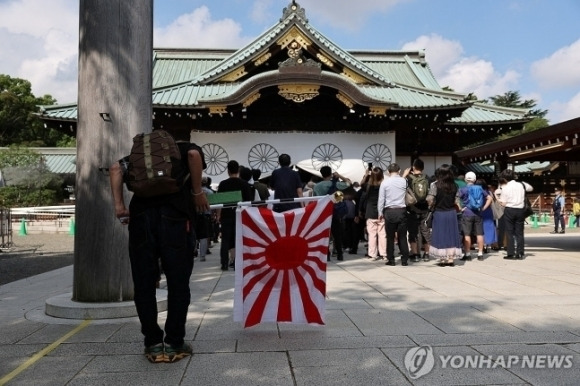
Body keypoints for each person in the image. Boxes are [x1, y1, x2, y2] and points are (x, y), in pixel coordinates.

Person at [109, 129, 208, 363]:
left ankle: (153, 343)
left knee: (144, 282)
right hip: (176, 215)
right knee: (178, 281)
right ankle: (174, 343)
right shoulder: (185, 149)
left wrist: (119, 206)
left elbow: (114, 169)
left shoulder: (136, 158)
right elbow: (194, 155)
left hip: (141, 216)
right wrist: (197, 192)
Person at [216, 160, 253, 271]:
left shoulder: (223, 184)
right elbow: (248, 202)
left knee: (225, 240)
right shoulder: (244, 184)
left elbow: (220, 203)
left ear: (228, 171)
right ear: (238, 171)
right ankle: (238, 262)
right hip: (240, 215)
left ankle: (224, 263)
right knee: (239, 239)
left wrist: (218, 215)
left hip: (226, 215)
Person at [426, 164, 462, 266]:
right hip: (451, 213)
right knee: (451, 235)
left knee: (440, 235)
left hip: (439, 213)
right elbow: (457, 201)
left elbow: (430, 199)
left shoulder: (435, 185)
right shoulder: (455, 185)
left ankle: (442, 259)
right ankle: (450, 259)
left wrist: (431, 205)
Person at [314, 166, 352, 261]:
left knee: (325, 235)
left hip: (323, 212)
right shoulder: (337, 184)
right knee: (337, 234)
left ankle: (326, 255)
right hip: (335, 211)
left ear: (321, 174)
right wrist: (339, 175)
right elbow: (349, 183)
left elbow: (315, 200)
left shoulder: (316, 186)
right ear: (331, 174)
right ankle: (339, 254)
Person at [377, 163, 409, 266]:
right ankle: (404, 259)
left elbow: (381, 199)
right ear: (399, 171)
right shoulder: (404, 181)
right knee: (402, 236)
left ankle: (391, 259)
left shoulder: (385, 183)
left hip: (389, 210)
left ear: (388, 172)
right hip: (401, 210)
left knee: (390, 237)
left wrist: (380, 212)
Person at [497, 169, 533, 260]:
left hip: (509, 209)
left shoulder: (504, 188)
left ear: (504, 178)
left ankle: (511, 253)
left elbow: (503, 203)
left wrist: (497, 198)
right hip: (521, 210)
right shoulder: (522, 184)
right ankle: (520, 253)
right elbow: (531, 188)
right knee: (519, 232)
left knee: (509, 232)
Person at [457, 171, 492, 261]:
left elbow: (456, 198)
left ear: (465, 179)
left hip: (467, 213)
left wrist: (461, 208)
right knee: (480, 234)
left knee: (467, 234)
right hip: (478, 213)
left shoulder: (463, 189)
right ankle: (480, 253)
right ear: (475, 180)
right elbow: (489, 198)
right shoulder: (480, 189)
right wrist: (483, 208)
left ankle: (468, 254)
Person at [403, 159, 431, 262]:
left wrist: (404, 175)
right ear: (423, 168)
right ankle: (427, 254)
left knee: (413, 232)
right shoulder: (427, 178)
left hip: (412, 209)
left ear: (413, 167)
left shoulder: (408, 179)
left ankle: (415, 254)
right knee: (426, 232)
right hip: (425, 210)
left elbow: (401, 188)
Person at [360, 166, 386, 261]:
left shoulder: (368, 186)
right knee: (382, 234)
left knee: (372, 235)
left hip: (370, 212)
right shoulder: (384, 186)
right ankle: (384, 253)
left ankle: (372, 254)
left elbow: (361, 184)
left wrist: (366, 174)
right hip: (382, 212)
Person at [476, 179, 497, 254]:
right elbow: (492, 200)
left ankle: (481, 246)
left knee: (480, 229)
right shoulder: (489, 192)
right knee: (488, 228)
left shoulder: (477, 191)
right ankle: (486, 245)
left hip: (479, 211)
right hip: (488, 211)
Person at [197, 176, 214, 262]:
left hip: (194, 214)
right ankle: (202, 255)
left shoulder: (192, 192)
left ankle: (194, 250)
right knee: (204, 235)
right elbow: (213, 205)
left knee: (194, 235)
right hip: (205, 215)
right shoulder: (210, 192)